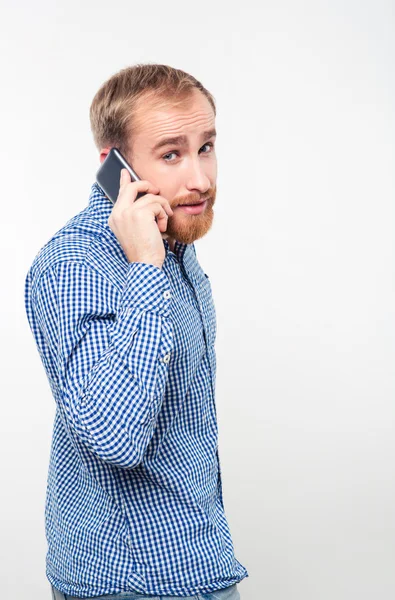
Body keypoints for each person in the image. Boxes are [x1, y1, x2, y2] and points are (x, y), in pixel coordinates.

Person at [25, 64, 248, 600]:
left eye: (206, 146)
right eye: (171, 154)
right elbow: (114, 437)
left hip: (198, 561)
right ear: (114, 166)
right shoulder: (75, 265)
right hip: (132, 584)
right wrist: (144, 268)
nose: (200, 178)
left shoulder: (174, 246)